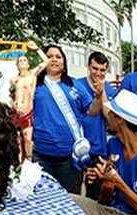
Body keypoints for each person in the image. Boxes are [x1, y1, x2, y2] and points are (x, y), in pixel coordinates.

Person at [32, 44, 93, 193]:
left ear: (64, 63)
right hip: (41, 155)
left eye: (58, 57)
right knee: (42, 200)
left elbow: (91, 110)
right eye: (49, 56)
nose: (54, 59)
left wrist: (99, 96)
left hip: (69, 157)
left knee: (71, 199)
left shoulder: (74, 84)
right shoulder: (34, 85)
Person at [74, 51, 119, 199]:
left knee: (94, 193)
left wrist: (102, 92)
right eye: (95, 68)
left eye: (102, 70)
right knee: (74, 190)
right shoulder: (77, 85)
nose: (98, 73)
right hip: (77, 147)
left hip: (98, 148)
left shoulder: (110, 89)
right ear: (88, 67)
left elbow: (109, 116)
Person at [9, 40, 48, 160]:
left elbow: (46, 61)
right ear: (17, 65)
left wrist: (37, 49)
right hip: (16, 112)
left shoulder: (32, 75)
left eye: (24, 60)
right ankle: (19, 164)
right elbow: (11, 95)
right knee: (17, 140)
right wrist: (13, 105)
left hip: (28, 112)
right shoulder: (14, 79)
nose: (22, 62)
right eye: (20, 61)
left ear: (28, 63)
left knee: (28, 139)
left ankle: (29, 163)